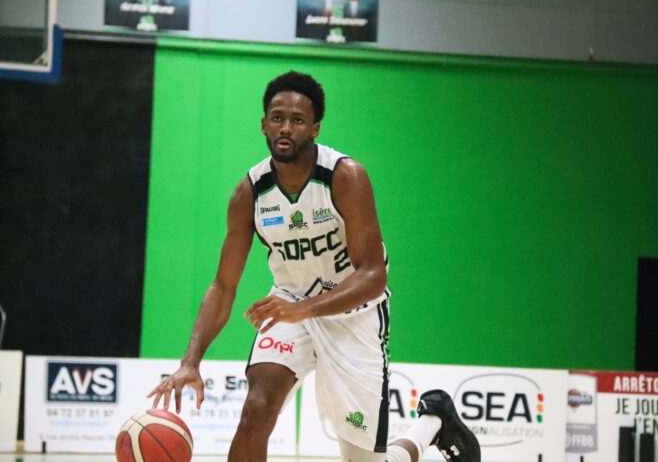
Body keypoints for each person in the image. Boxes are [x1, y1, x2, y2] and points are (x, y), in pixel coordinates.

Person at [147, 71, 480, 462]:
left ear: (315, 128)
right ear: (263, 124)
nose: (286, 127)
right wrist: (190, 361)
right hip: (290, 304)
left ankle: (432, 423)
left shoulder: (345, 176)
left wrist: (304, 309)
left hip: (355, 314)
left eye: (298, 120)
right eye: (277, 117)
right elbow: (223, 287)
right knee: (256, 408)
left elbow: (373, 276)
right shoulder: (249, 193)